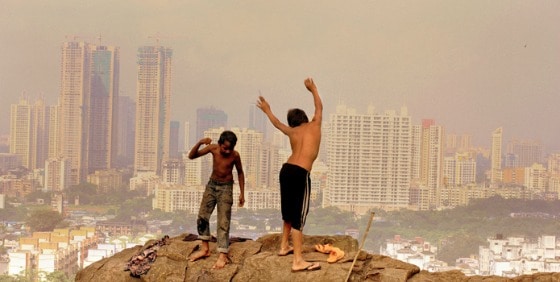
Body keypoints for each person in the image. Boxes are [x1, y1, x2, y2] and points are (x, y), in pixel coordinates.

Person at [257, 77, 323, 272]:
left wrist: (267, 109)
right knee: (298, 217)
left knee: (288, 212)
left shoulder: (292, 132)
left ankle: (284, 246)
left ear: (292, 123)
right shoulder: (314, 125)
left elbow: (277, 123)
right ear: (305, 118)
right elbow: (319, 106)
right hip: (301, 172)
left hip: (286, 170)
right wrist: (313, 89)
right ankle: (298, 261)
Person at [187, 130, 245, 269]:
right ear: (219, 144)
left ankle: (223, 254)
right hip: (212, 185)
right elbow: (191, 156)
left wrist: (242, 193)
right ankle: (205, 248)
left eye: (230, 148)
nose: (227, 151)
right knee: (202, 216)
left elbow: (240, 172)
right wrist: (200, 142)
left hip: (226, 188)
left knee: (223, 222)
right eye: (224, 148)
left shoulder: (235, 155)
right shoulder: (213, 149)